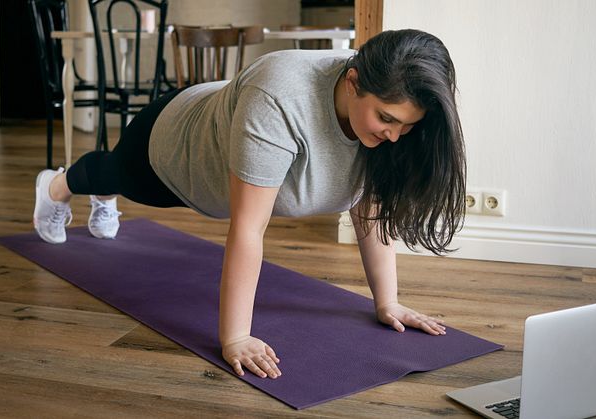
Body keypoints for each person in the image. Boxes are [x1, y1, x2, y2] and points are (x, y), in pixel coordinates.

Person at [32, 29, 466, 380]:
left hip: (230, 114)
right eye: (387, 119)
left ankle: (102, 194)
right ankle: (58, 186)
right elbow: (247, 229)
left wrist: (387, 303)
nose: (395, 134)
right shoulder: (282, 100)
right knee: (114, 175)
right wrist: (236, 336)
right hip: (174, 145)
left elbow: (370, 211)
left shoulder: (389, 109)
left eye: (407, 126)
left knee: (113, 181)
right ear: (352, 84)